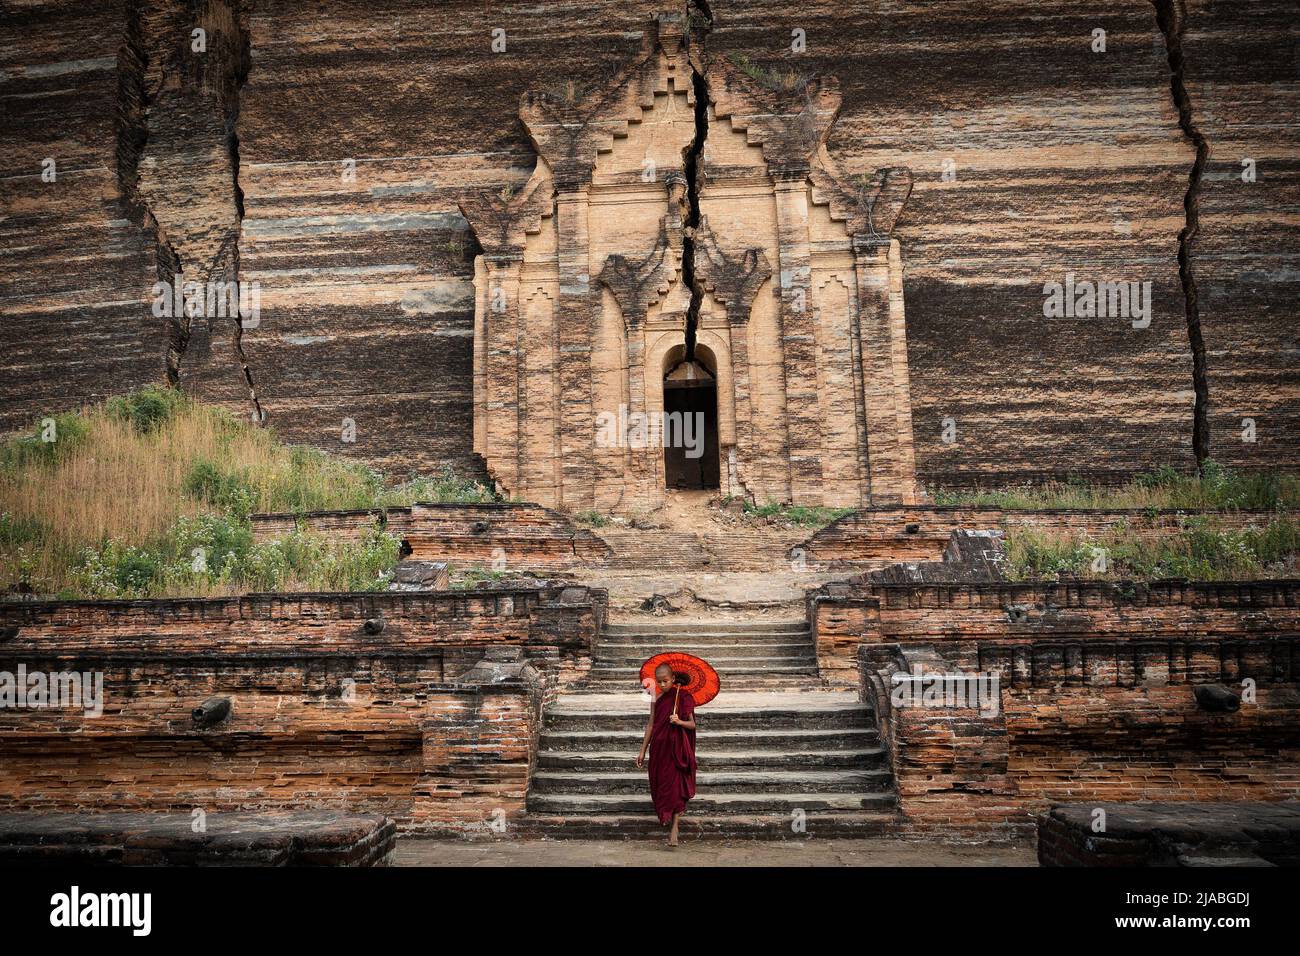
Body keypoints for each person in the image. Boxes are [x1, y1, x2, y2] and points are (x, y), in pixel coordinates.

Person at [636, 663, 697, 847]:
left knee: (675, 788)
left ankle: (675, 828)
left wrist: (679, 721)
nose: (662, 685)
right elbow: (651, 724)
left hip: (676, 749)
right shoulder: (656, 697)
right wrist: (642, 750)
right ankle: (665, 814)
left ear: (673, 679)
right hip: (659, 749)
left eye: (665, 681)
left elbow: (692, 725)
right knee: (661, 784)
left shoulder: (684, 696)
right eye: (659, 681)